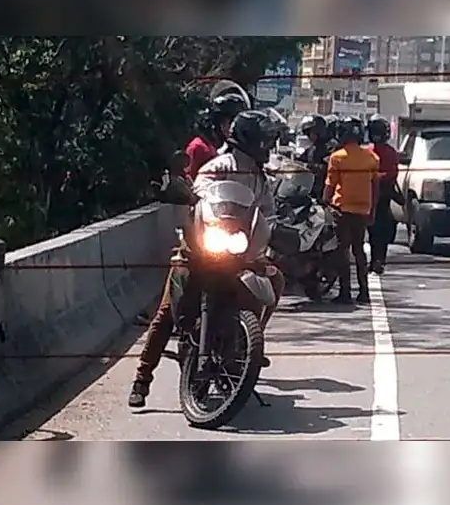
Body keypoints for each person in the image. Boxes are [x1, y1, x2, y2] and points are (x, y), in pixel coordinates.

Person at [128, 110, 286, 409]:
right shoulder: (218, 165)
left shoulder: (261, 179)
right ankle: (141, 379)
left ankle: (246, 345)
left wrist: (275, 231)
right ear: (250, 140)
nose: (268, 147)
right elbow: (199, 197)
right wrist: (188, 198)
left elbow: (268, 213)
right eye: (265, 141)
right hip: (202, 245)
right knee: (166, 313)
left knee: (275, 279)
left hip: (239, 250)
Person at [323, 116, 378, 305]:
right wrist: (372, 210)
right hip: (363, 210)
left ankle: (345, 293)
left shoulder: (337, 157)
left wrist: (324, 202)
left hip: (342, 209)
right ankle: (364, 292)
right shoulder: (371, 157)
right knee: (359, 251)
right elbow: (375, 186)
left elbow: (330, 185)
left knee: (342, 251)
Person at [366, 114, 402, 275]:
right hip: (372, 194)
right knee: (377, 230)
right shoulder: (369, 151)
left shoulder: (374, 151)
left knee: (378, 230)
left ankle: (377, 260)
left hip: (380, 195)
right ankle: (377, 260)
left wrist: (376, 178)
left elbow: (391, 174)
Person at [184, 94, 248, 181]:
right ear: (219, 122)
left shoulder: (229, 149)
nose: (235, 128)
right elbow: (190, 183)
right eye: (231, 122)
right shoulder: (198, 148)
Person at [297, 114, 338, 199]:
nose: (309, 135)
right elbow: (300, 161)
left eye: (310, 132)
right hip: (310, 191)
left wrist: (311, 166)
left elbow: (331, 168)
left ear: (319, 130)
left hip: (326, 192)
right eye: (307, 132)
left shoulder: (332, 146)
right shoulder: (312, 148)